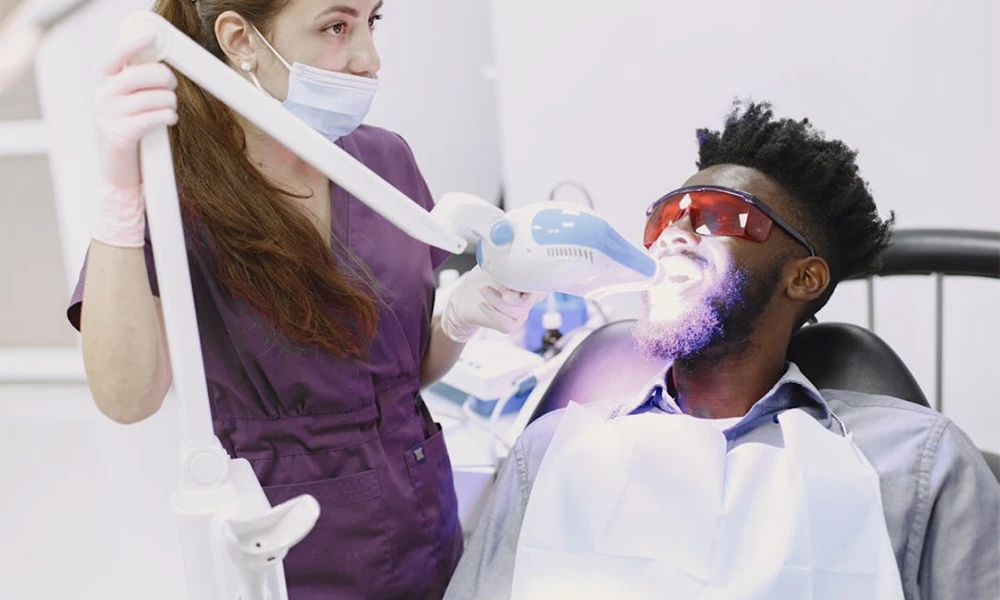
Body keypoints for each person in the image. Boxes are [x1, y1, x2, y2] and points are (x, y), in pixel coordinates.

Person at [67, 0, 543, 598]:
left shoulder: (384, 162)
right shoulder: (177, 195)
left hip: (422, 517)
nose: (370, 59)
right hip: (285, 544)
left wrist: (460, 319)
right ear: (241, 39)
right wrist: (120, 191)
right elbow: (127, 398)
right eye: (336, 27)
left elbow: (402, 371)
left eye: (372, 22)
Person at [443, 100, 1000, 600]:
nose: (673, 234)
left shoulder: (918, 463)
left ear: (803, 277)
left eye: (718, 216)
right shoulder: (549, 452)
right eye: (664, 217)